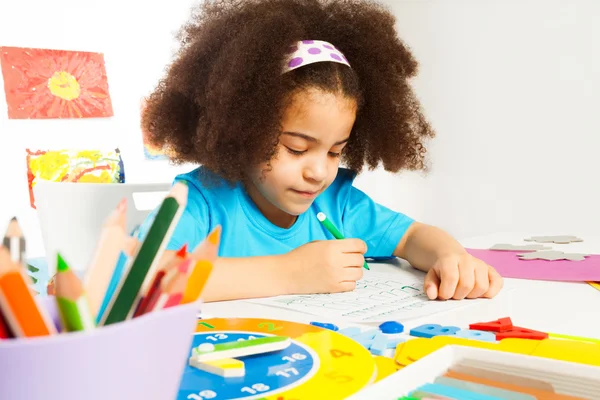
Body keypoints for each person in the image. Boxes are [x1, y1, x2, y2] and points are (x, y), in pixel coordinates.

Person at [139, 0, 503, 302]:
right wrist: (289, 273)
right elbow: (140, 278)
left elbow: (410, 237)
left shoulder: (336, 204)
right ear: (242, 130)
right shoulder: (201, 201)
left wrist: (450, 256)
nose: (318, 172)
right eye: (296, 148)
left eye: (334, 152)